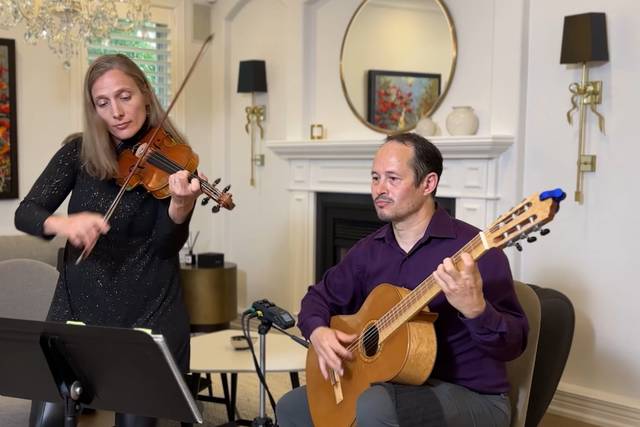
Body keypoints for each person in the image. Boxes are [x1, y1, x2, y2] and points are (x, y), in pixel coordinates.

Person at [276, 133, 529, 427]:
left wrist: (477, 311)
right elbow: (317, 298)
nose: (379, 189)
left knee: (376, 405)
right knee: (293, 406)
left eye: (393, 179)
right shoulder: (368, 251)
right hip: (395, 384)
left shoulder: (475, 252)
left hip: (474, 397)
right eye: (375, 178)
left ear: (428, 184)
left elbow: (514, 344)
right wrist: (318, 332)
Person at [14, 54, 204, 427]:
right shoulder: (77, 152)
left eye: (124, 96)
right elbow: (26, 212)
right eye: (103, 102)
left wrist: (180, 207)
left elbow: (166, 247)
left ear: (145, 94)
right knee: (46, 421)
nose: (116, 111)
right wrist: (62, 224)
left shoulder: (175, 160)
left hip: (147, 311)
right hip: (77, 308)